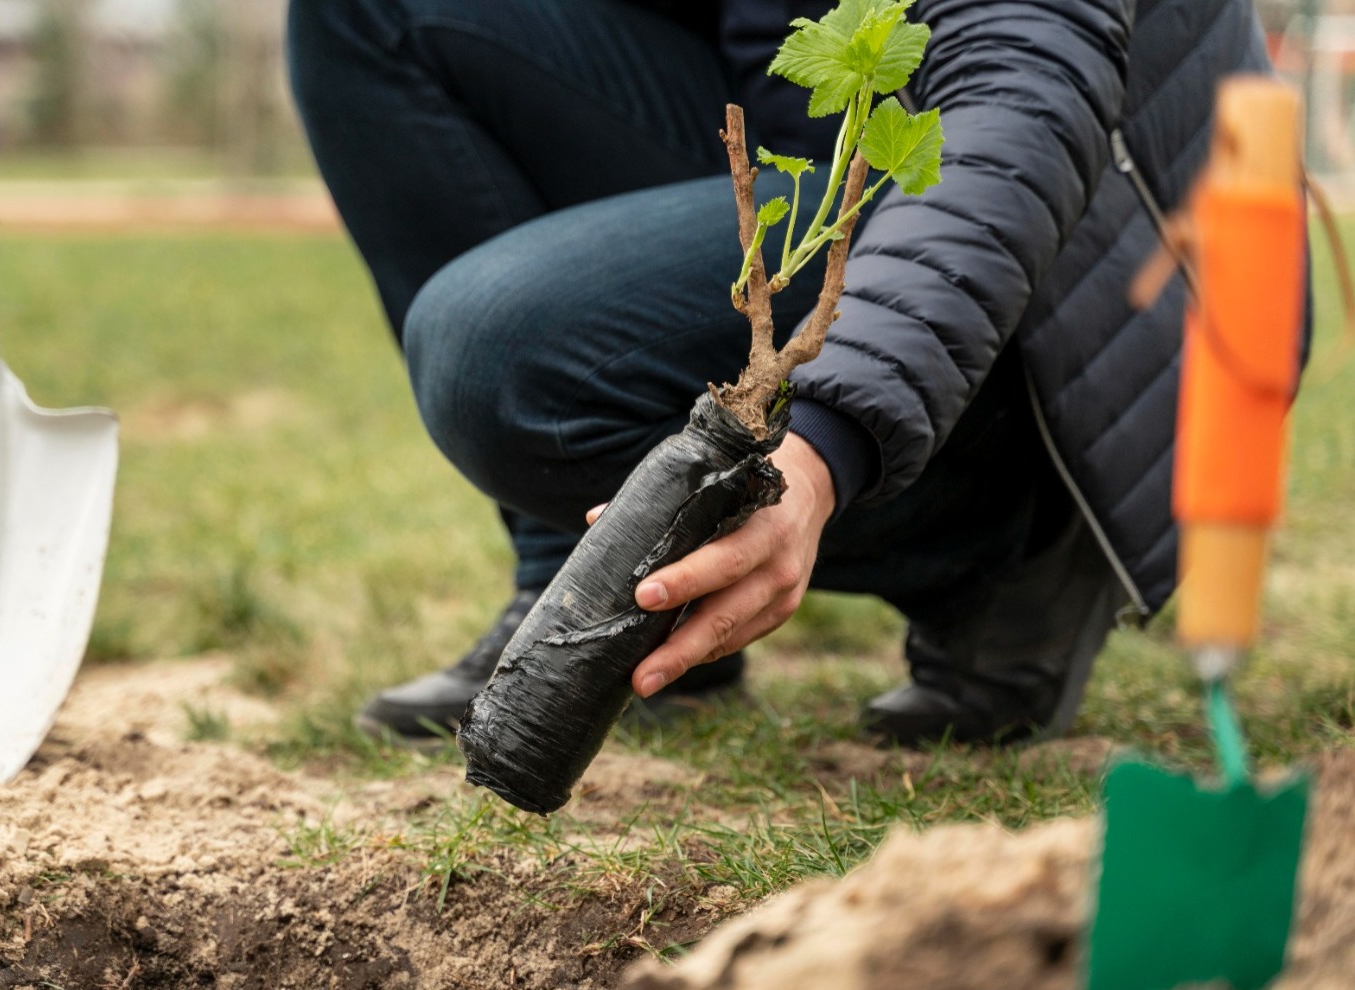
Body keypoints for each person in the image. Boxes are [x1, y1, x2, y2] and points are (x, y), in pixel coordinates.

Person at [286, 0, 1285, 748]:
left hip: (1080, 280)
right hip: (814, 149)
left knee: (498, 348)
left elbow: (1019, 102)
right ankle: (602, 590)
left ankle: (1016, 542)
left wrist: (824, 449)